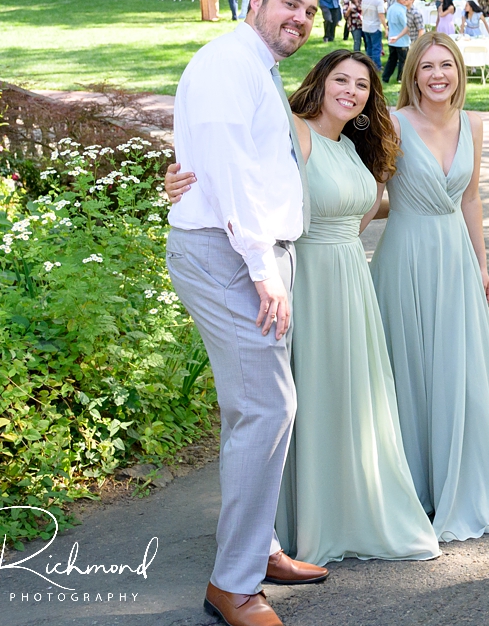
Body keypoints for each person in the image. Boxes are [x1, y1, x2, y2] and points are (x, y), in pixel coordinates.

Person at [165, 50, 440, 569]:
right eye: (341, 79)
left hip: (350, 279)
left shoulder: (359, 147)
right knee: (299, 397)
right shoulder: (296, 129)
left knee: (349, 397)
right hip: (303, 276)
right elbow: (235, 159)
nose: (352, 90)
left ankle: (350, 509)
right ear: (318, 83)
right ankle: (292, 525)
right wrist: (180, 177)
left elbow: (362, 210)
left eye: (362, 84)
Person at [163, 0, 333, 626]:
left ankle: (259, 547)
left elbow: (223, 158)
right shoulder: (226, 62)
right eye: (288, 4)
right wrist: (263, 270)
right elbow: (229, 172)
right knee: (266, 406)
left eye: (308, 11)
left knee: (261, 405)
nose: (298, 18)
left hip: (254, 256)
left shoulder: (254, 65)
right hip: (231, 260)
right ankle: (232, 584)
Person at [375, 34, 489, 541]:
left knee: (460, 372)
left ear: (459, 72)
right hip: (405, 259)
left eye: (447, 66)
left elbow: (472, 198)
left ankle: (464, 488)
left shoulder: (474, 123)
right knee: (410, 371)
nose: (438, 75)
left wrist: (483, 263)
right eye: (427, 67)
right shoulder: (390, 125)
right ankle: (416, 491)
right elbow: (369, 196)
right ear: (412, 73)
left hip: (457, 260)